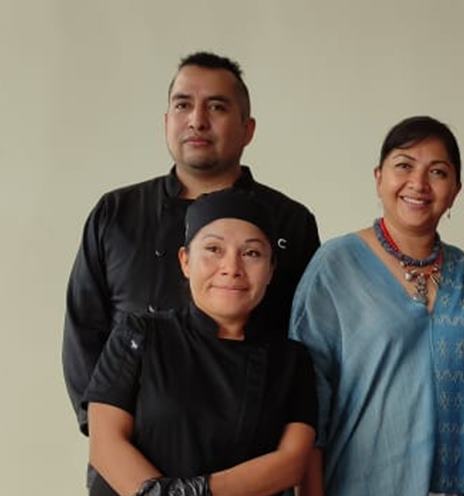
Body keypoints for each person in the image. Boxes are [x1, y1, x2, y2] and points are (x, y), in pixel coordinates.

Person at [58, 190, 317, 496]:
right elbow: (106, 443)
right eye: (212, 249)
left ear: (271, 269)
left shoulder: (292, 359)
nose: (231, 268)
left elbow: (291, 461)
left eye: (251, 254)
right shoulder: (139, 335)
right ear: (185, 261)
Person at [283, 117, 464, 496]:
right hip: (360, 494)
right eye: (404, 166)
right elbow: (306, 399)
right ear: (378, 177)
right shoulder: (335, 266)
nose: (418, 184)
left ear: (456, 190)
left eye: (438, 172)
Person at [61, 51, 319, 436]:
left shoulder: (290, 222)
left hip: (252, 454)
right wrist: (109, 435)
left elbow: (306, 343)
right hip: (130, 457)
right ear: (167, 122)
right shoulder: (116, 213)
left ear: (248, 129)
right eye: (183, 105)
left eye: (216, 107)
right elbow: (84, 332)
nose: (197, 120)